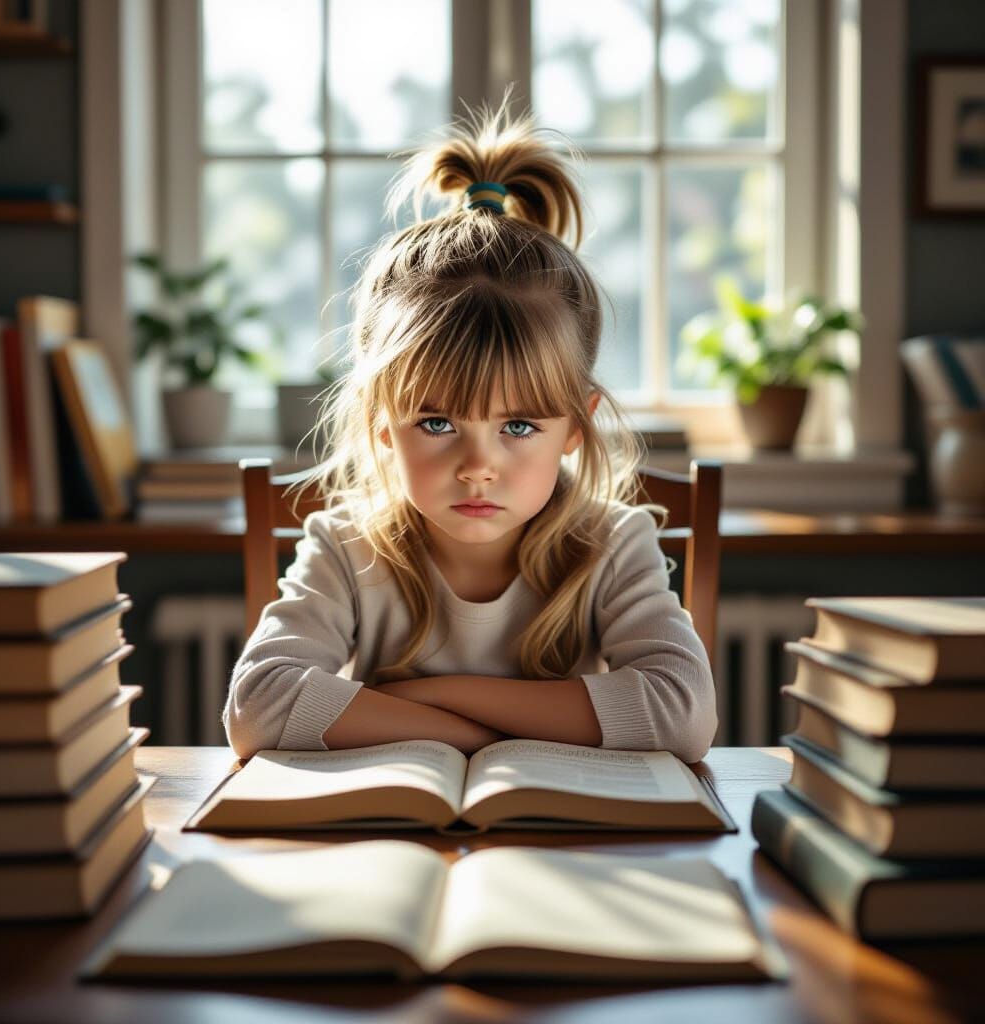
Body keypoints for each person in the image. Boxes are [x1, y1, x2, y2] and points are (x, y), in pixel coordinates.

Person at [223, 98, 717, 763]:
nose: (477, 465)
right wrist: (476, 738)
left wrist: (436, 695)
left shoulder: (613, 544)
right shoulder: (345, 548)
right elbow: (257, 706)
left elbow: (682, 715)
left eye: (518, 424)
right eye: (436, 422)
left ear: (575, 428)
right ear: (380, 425)